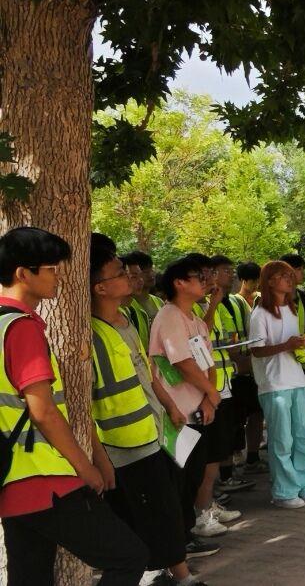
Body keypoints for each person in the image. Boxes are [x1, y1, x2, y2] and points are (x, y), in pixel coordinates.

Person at [0, 227, 148, 585]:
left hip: (11, 481)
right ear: (23, 273)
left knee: (30, 578)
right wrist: (85, 466)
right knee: (129, 557)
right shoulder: (21, 328)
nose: (59, 276)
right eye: (51, 268)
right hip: (44, 477)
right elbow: (44, 411)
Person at [89, 236, 208, 585]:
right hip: (123, 444)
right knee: (151, 511)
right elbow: (84, 404)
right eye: (119, 272)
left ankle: (173, 572)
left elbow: (147, 372)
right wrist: (100, 456)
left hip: (153, 430)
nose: (129, 276)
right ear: (100, 287)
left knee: (165, 506)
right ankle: (176, 575)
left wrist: (169, 405)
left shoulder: (126, 319)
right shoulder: (90, 334)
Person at [149, 255, 228, 541]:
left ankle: (186, 534)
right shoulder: (170, 316)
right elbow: (182, 362)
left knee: (193, 475)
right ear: (179, 283)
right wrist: (211, 392)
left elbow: (208, 364)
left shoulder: (196, 320)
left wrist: (208, 398)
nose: (206, 281)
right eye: (199, 277)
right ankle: (179, 541)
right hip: (177, 414)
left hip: (198, 411)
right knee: (179, 479)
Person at [249, 261, 305, 508]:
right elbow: (256, 350)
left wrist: (304, 342)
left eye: (291, 275)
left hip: (297, 379)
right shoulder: (260, 313)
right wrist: (287, 345)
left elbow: (291, 344)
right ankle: (284, 491)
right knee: (282, 440)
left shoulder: (291, 309)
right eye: (283, 276)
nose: (290, 280)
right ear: (269, 281)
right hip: (274, 384)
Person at [205, 255, 254, 494]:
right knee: (215, 438)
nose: (231, 274)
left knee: (231, 429)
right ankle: (212, 490)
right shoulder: (204, 305)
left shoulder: (233, 302)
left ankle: (227, 476)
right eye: (225, 270)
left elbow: (229, 337)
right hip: (211, 384)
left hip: (230, 377)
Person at [232, 260, 266, 474]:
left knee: (256, 412)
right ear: (243, 280)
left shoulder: (260, 299)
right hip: (239, 367)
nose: (256, 285)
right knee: (238, 416)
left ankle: (253, 456)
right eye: (253, 281)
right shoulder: (235, 301)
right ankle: (236, 456)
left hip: (255, 365)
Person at [279, 254, 305, 384]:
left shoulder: (304, 298)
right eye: (299, 269)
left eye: (303, 269)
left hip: (301, 360)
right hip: (280, 363)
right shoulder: (271, 301)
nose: (303, 273)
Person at [121, 251, 163, 351]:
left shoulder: (159, 301)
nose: (151, 274)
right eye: (145, 272)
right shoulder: (126, 307)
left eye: (151, 269)